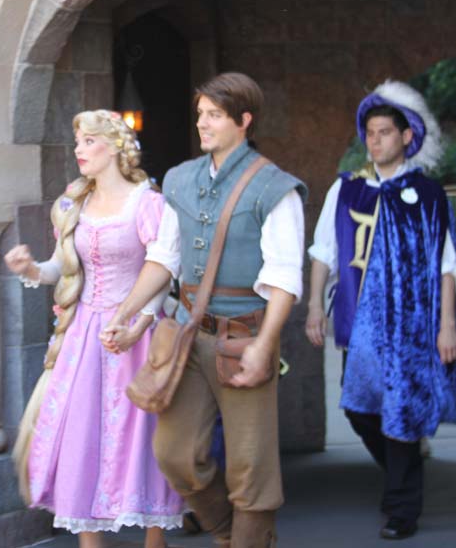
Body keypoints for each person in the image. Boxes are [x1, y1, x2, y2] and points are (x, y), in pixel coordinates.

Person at [109, 72, 307, 548]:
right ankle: (225, 532)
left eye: (214, 115)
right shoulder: (180, 178)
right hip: (188, 338)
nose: (203, 123)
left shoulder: (275, 188)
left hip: (245, 339)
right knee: (175, 455)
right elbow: (165, 257)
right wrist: (130, 314)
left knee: (251, 471)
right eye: (200, 114)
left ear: (244, 120)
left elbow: (285, 278)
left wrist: (265, 344)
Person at [305, 81, 456, 540]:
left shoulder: (429, 194)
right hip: (358, 325)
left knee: (400, 410)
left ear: (405, 137)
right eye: (370, 133)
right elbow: (323, 252)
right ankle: (403, 472)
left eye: (384, 132)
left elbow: (447, 265)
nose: (375, 140)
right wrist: (314, 307)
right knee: (361, 411)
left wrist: (446, 326)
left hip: (412, 327)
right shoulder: (348, 190)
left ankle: (402, 507)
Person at [5, 110, 182, 548]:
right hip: (84, 333)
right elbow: (64, 270)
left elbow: (164, 269)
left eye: (88, 141)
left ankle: (155, 539)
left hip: (137, 333)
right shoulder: (76, 205)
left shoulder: (148, 202)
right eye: (78, 142)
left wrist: (136, 321)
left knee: (145, 434)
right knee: (80, 432)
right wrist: (30, 268)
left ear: (114, 147)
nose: (79, 150)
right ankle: (89, 542)